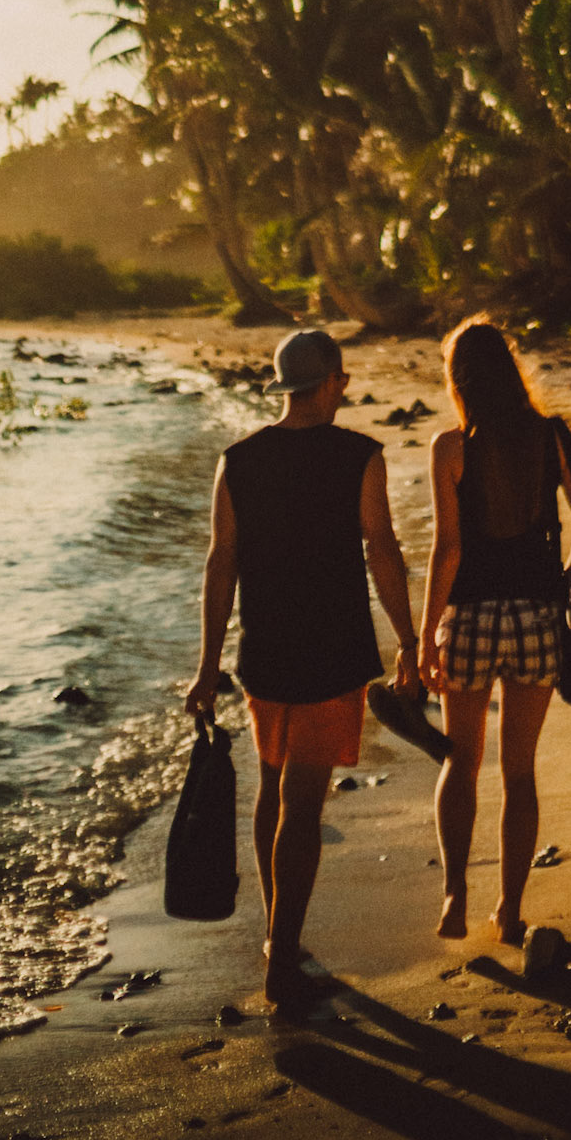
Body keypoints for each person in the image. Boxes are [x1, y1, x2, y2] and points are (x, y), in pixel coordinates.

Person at [186, 328, 423, 1012]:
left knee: (272, 788)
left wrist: (208, 666)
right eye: (342, 379)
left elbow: (220, 561)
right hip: (329, 650)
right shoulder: (360, 457)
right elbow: (382, 549)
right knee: (304, 803)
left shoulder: (238, 460)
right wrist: (407, 638)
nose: (345, 388)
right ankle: (283, 961)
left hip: (262, 652)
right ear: (330, 383)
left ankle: (276, 935)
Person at [418, 316, 571, 945]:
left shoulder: (451, 447)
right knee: (517, 770)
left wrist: (422, 639)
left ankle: (454, 897)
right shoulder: (549, 437)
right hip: (535, 620)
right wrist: (568, 582)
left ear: (459, 379)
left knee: (459, 762)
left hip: (467, 619)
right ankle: (511, 909)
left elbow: (448, 551)